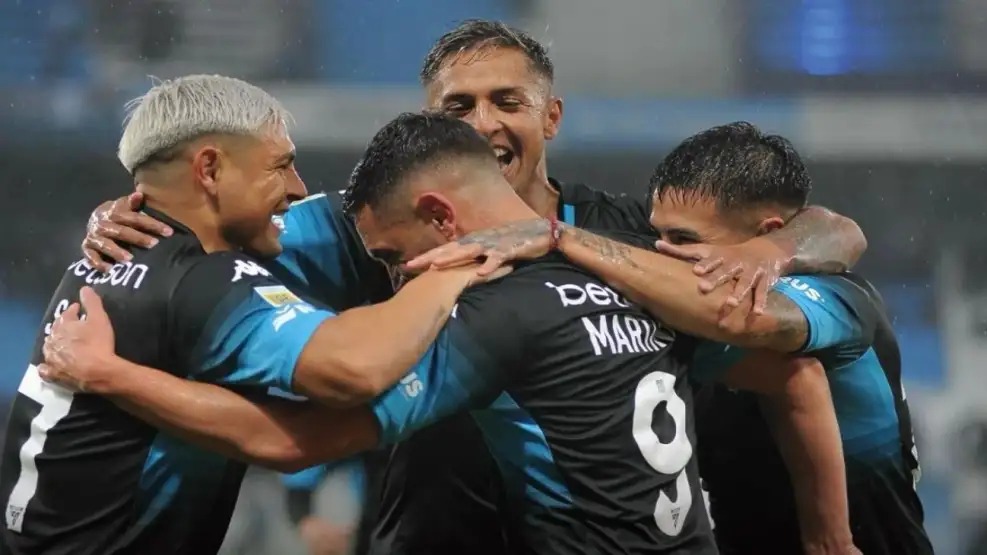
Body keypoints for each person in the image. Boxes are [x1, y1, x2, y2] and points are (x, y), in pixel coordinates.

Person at [77, 20, 871, 555]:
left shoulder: (631, 238)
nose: (484, 122)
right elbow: (215, 218)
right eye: (458, 106)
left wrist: (776, 249)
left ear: (550, 115)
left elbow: (830, 237)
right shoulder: (367, 222)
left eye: (506, 102)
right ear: (430, 125)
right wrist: (133, 211)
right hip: (434, 533)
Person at [0, 77, 495, 555]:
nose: (297, 188)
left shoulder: (113, 260)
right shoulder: (198, 282)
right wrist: (457, 265)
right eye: (280, 166)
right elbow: (348, 370)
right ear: (210, 169)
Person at [409, 121, 933, 555]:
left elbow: (772, 350)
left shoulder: (839, 299)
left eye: (683, 239)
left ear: (764, 234)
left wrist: (828, 539)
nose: (662, 254)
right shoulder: (681, 291)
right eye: (658, 234)